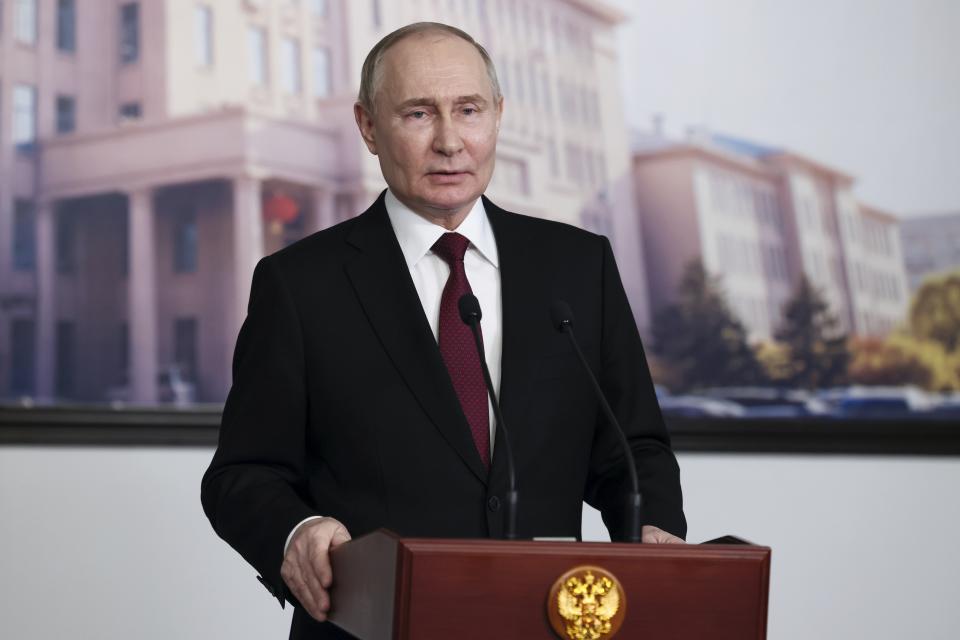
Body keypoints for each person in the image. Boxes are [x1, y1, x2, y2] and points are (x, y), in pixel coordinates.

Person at [201, 22, 685, 640]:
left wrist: (653, 532)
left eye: (469, 110)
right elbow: (242, 475)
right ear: (368, 127)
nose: (450, 142)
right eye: (418, 114)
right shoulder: (299, 285)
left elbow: (633, 447)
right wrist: (296, 533)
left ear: (499, 116)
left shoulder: (577, 266)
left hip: (547, 622)